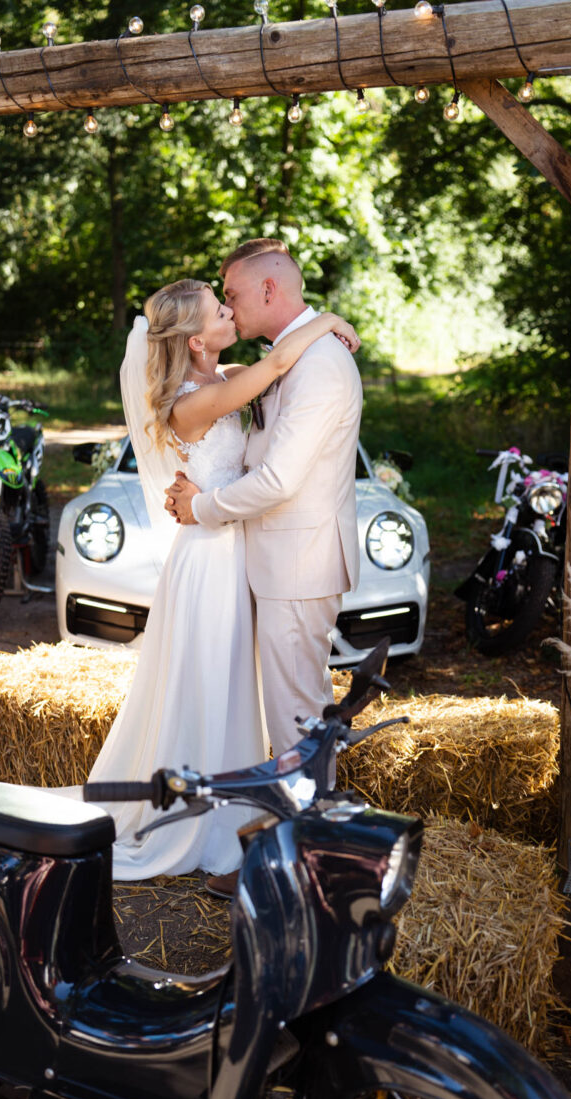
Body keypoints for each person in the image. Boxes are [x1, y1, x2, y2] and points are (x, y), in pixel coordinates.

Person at [87, 276, 360, 884]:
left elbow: (275, 376)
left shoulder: (222, 377)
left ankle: (240, 810)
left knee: (236, 681)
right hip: (209, 558)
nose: (229, 313)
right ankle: (203, 823)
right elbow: (282, 358)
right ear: (192, 339)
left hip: (234, 546)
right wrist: (327, 320)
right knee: (213, 680)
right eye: (219, 310)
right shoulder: (193, 400)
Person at [166, 240, 364, 893]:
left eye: (236, 295)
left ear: (271, 292)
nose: (230, 306)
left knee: (299, 716)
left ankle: (302, 868)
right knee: (286, 715)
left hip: (299, 563)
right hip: (272, 561)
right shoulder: (290, 357)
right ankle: (289, 848)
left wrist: (203, 506)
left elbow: (277, 479)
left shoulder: (320, 366)